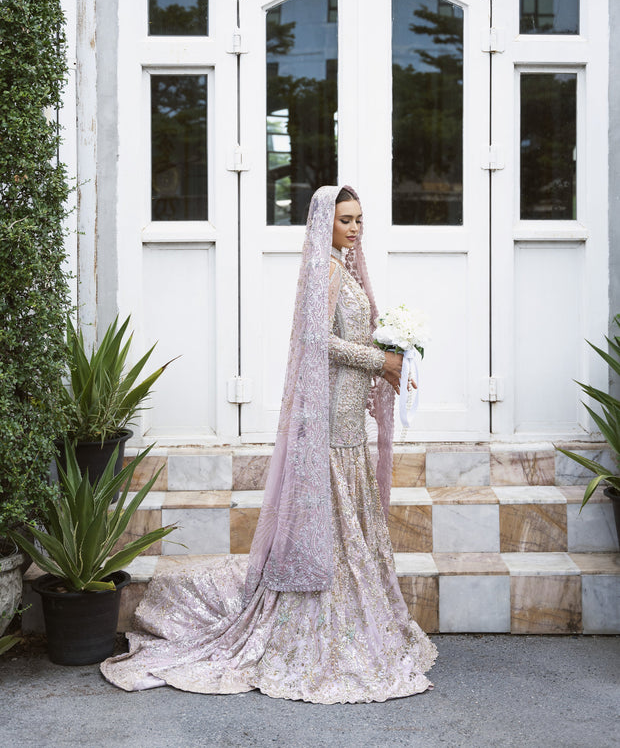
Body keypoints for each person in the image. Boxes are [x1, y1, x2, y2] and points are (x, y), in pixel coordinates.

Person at [101, 185, 437, 702]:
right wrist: (380, 361)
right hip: (327, 421)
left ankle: (357, 618)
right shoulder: (324, 271)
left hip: (348, 420)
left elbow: (353, 337)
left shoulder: (347, 271)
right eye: (346, 220)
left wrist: (397, 356)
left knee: (354, 519)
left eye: (360, 220)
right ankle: (319, 626)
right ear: (325, 225)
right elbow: (314, 341)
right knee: (333, 520)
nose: (355, 228)